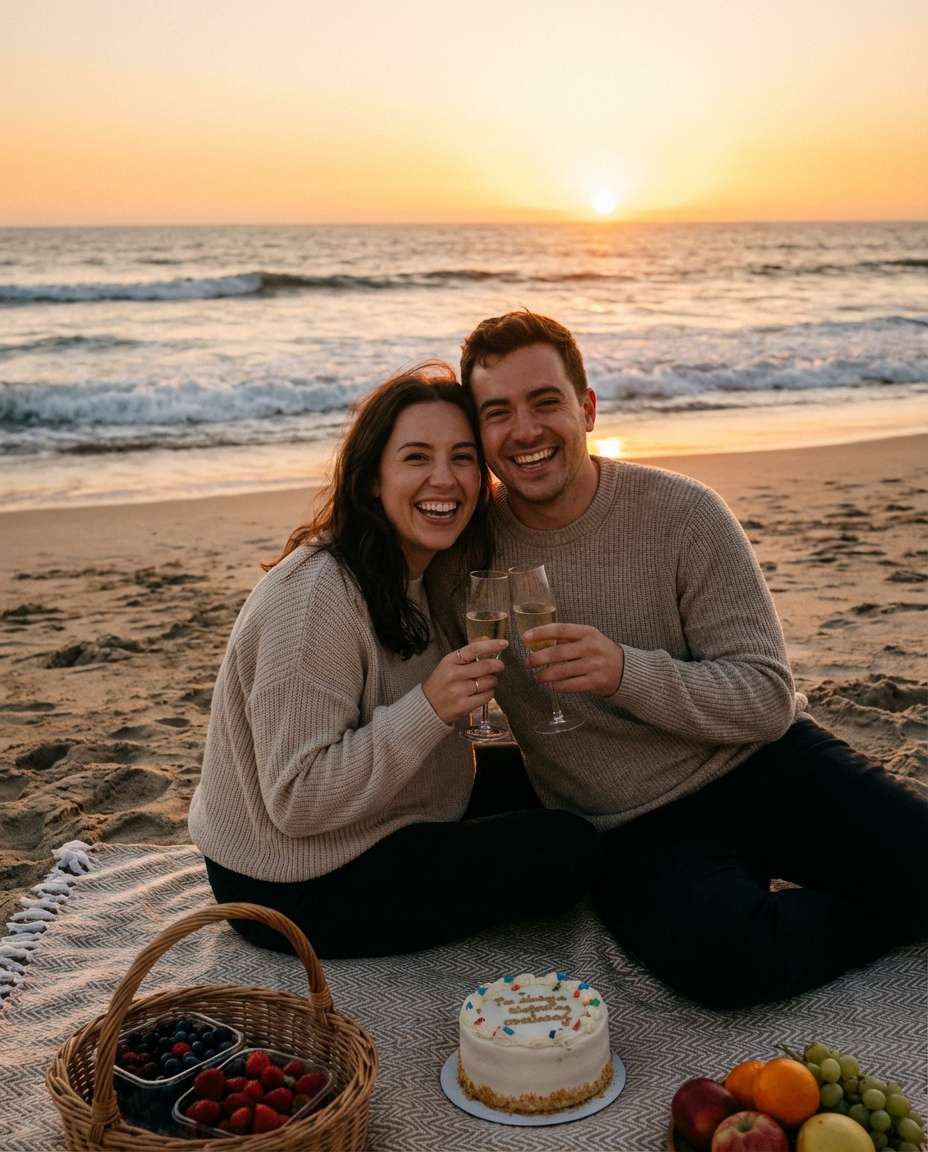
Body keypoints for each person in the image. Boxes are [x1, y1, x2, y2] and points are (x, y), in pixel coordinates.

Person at [436, 310, 928, 1008]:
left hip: (759, 763)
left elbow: (764, 697)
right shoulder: (464, 551)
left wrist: (626, 673)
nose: (524, 430)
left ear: (587, 407)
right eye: (497, 413)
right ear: (479, 435)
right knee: (728, 968)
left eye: (545, 402)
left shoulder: (684, 513)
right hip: (630, 821)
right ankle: (831, 906)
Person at [188, 361, 598, 957]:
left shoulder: (415, 570)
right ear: (371, 480)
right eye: (415, 458)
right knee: (568, 849)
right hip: (290, 881)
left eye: (462, 457)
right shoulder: (316, 599)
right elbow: (298, 801)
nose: (445, 480)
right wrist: (430, 706)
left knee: (560, 775)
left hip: (376, 821)